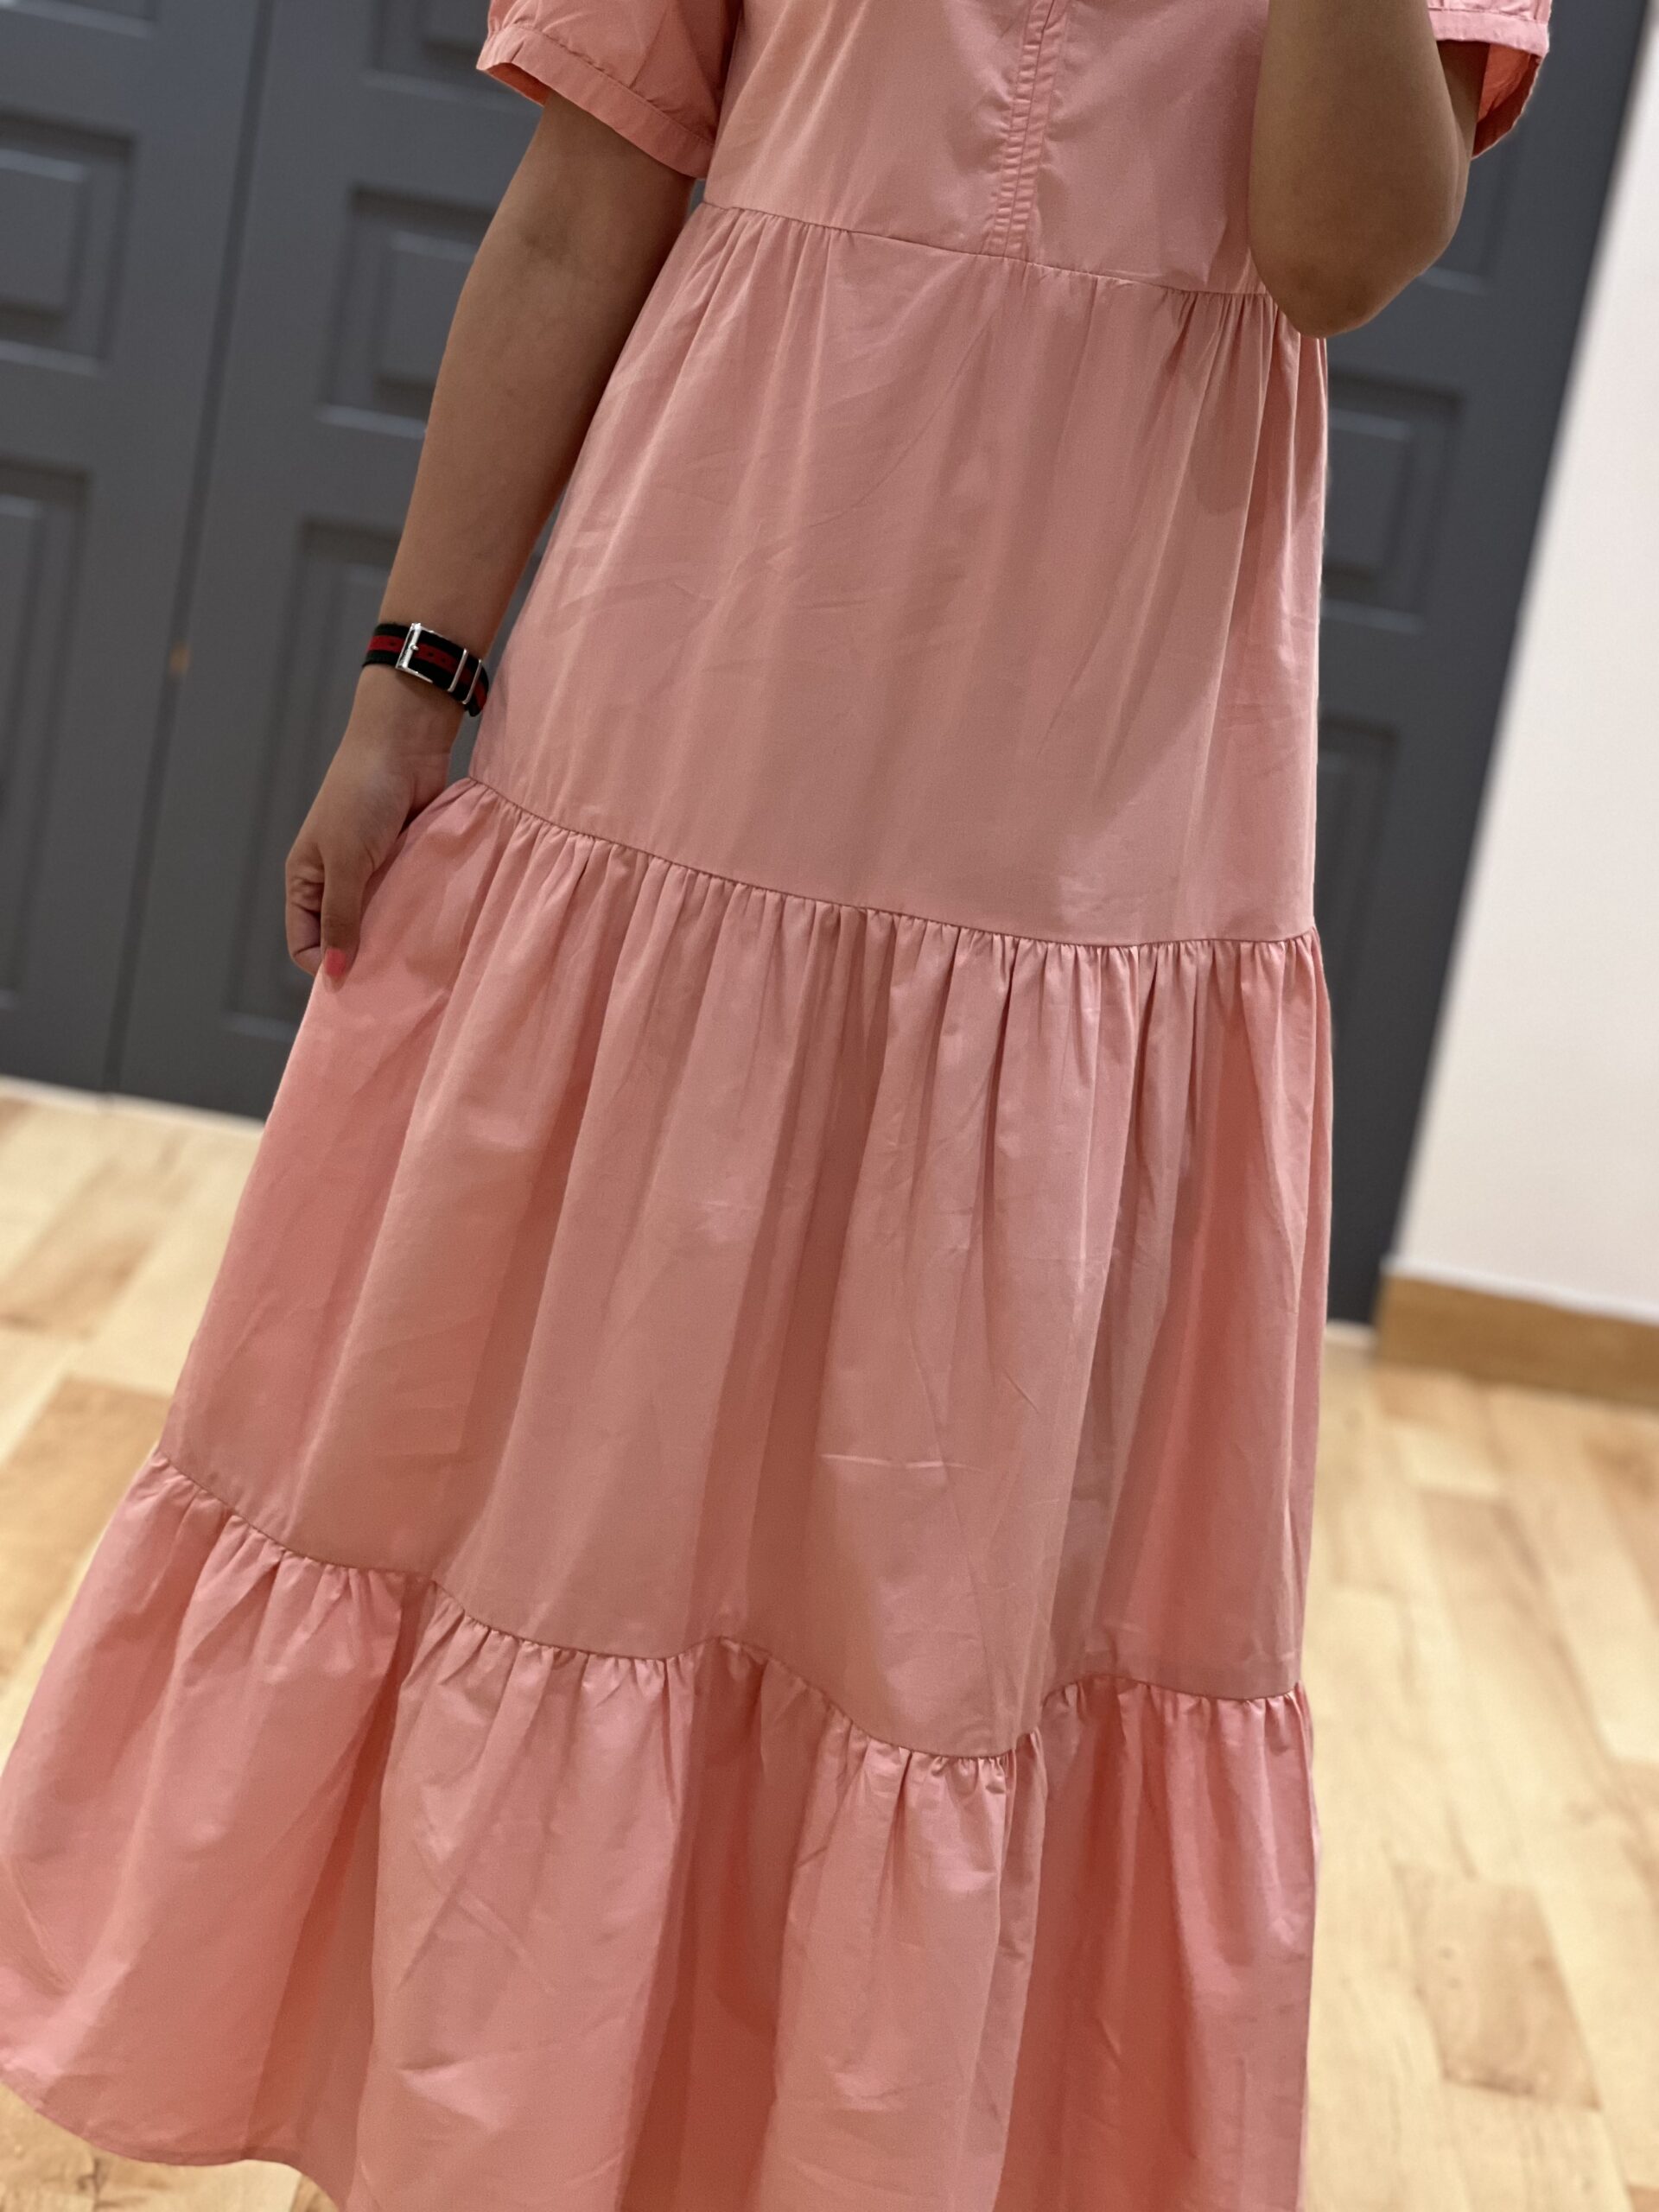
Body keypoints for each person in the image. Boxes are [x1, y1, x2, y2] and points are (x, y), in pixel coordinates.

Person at [0, 1, 1551, 2205]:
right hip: (697, 700)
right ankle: (499, 2121)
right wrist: (408, 684)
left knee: (937, 1562)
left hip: (1094, 813)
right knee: (578, 1480)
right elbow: (580, 208)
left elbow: (1341, 251)